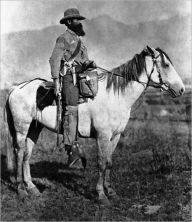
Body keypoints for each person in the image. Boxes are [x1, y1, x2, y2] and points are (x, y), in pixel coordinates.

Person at [49, 8, 96, 167]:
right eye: (76, 20)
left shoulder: (80, 41)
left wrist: (89, 65)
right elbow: (54, 60)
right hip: (69, 79)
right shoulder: (62, 39)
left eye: (79, 20)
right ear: (69, 22)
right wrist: (56, 81)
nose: (79, 23)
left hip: (81, 78)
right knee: (71, 109)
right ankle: (70, 145)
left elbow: (84, 60)